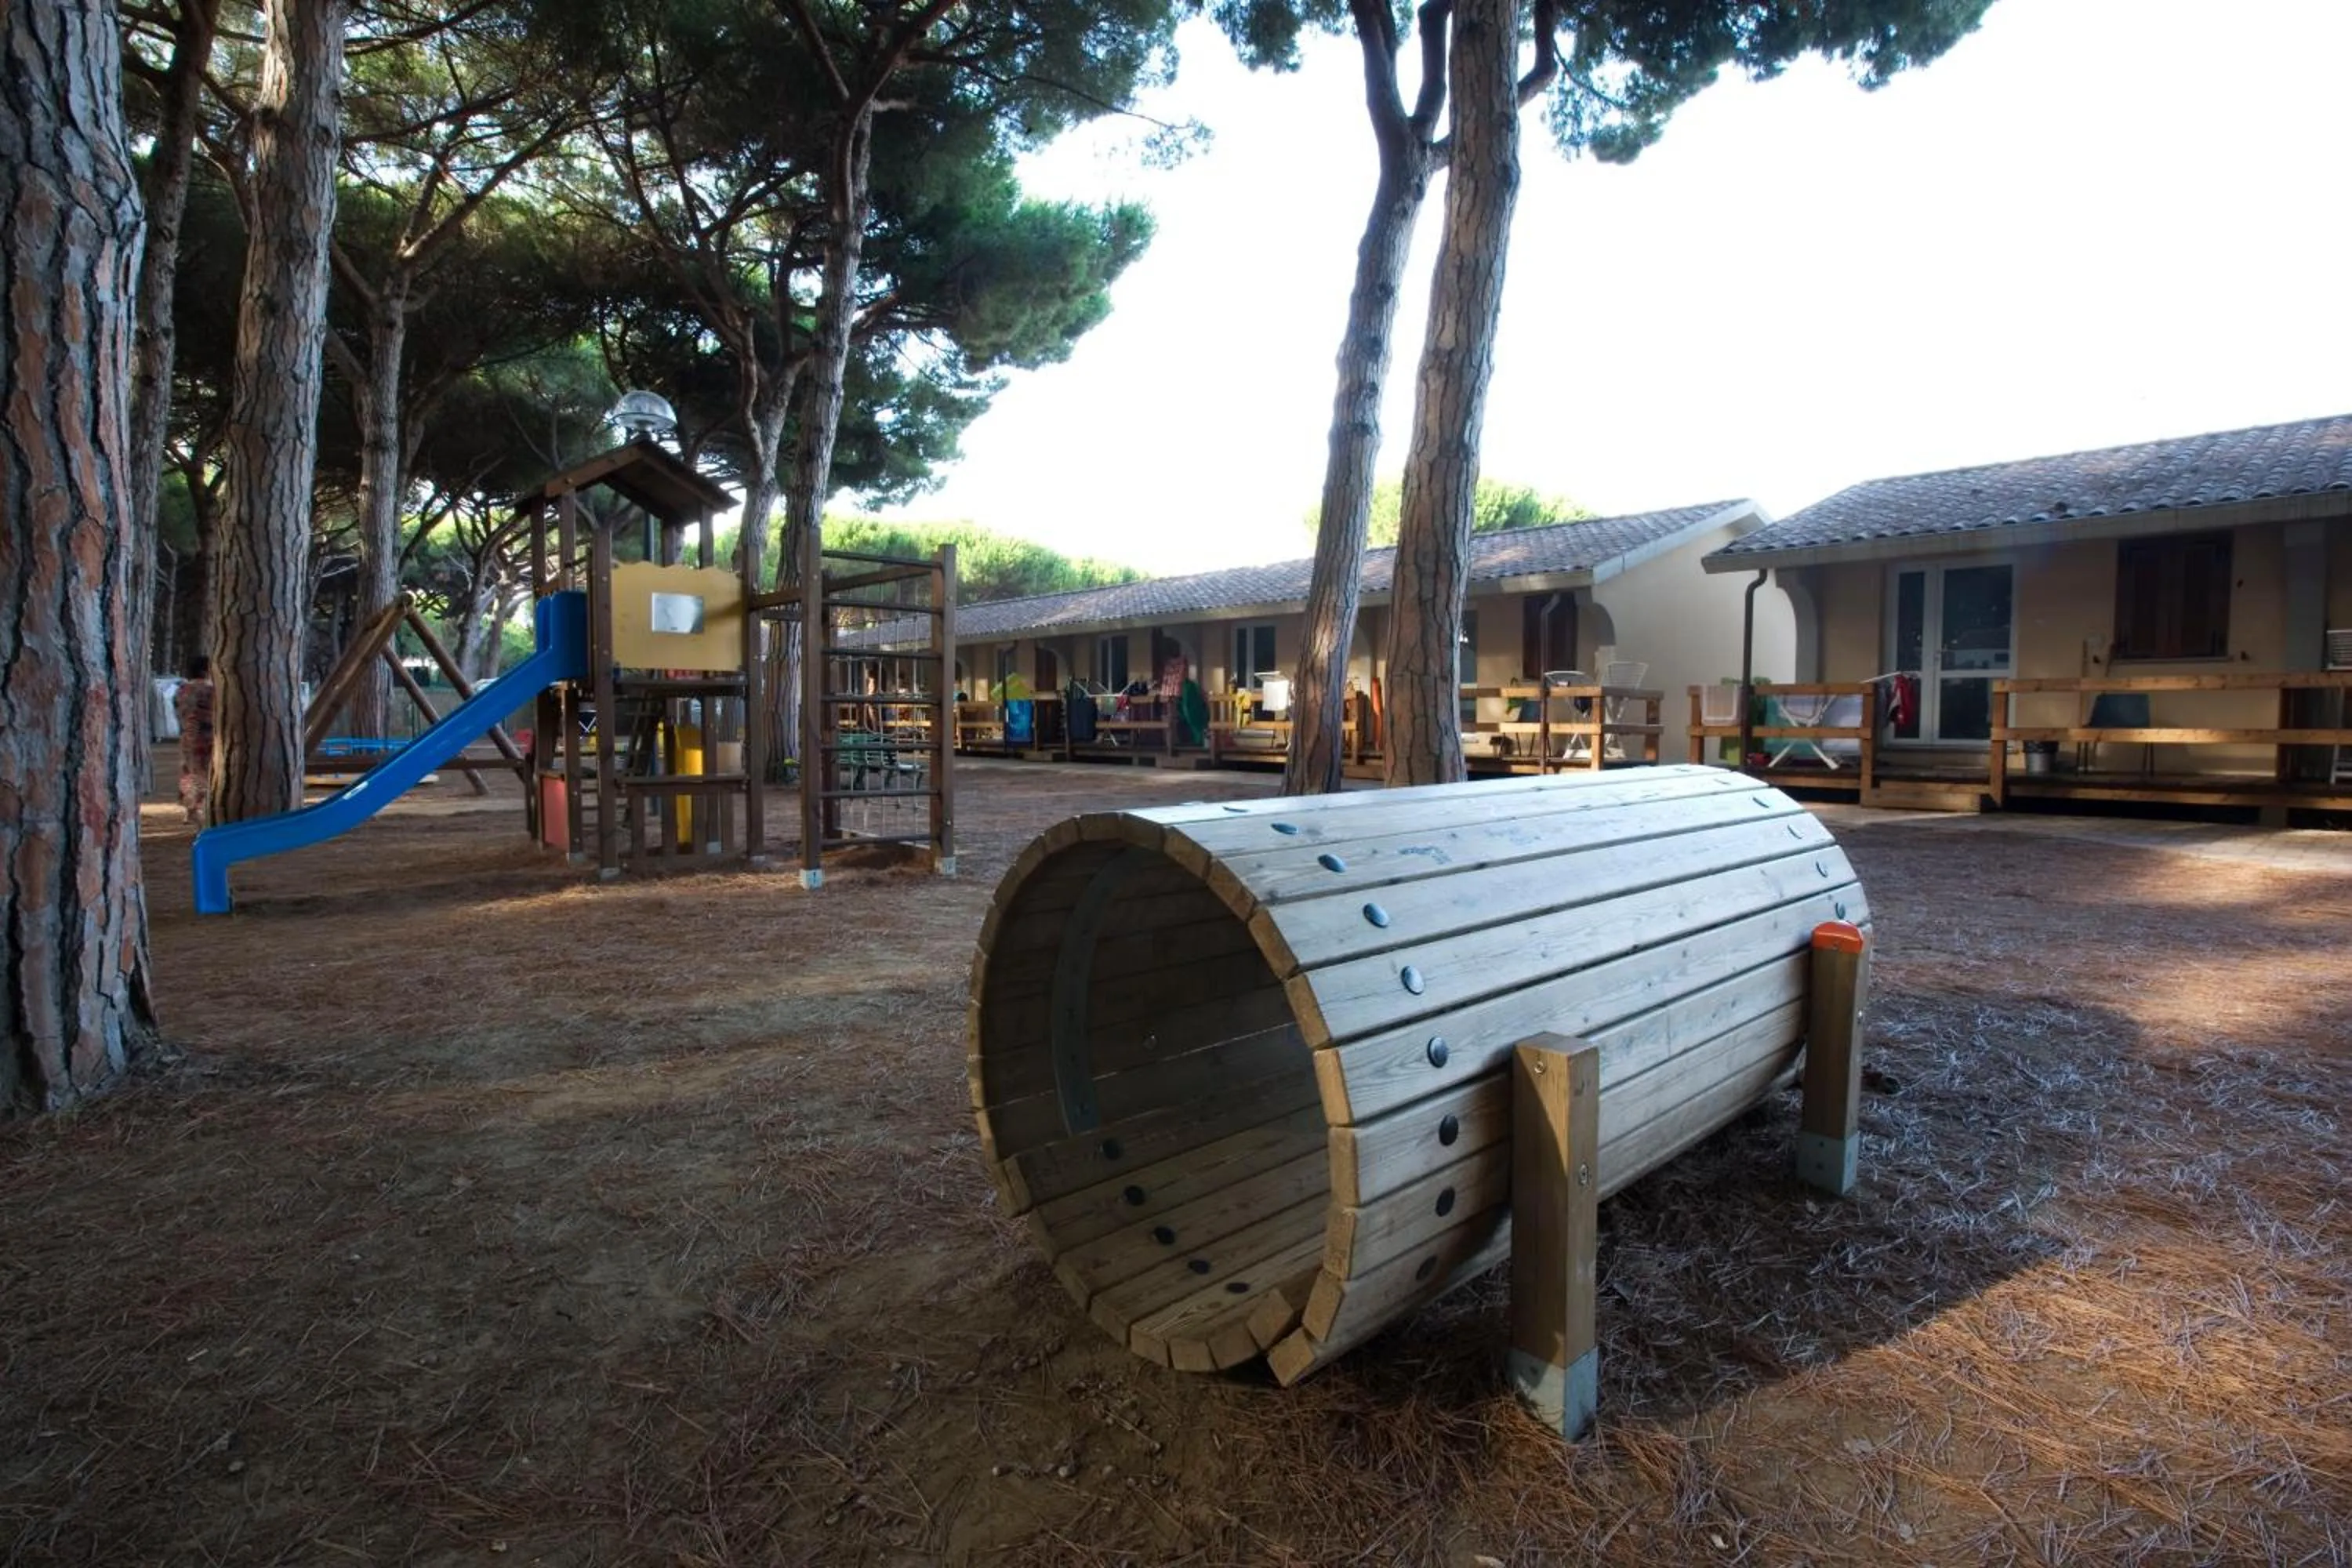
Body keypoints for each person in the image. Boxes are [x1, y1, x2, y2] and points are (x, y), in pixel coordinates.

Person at [172, 655, 216, 824]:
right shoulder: (210, 690)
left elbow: (178, 712)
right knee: (207, 773)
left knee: (188, 771)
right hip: (206, 737)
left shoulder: (181, 690)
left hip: (187, 736)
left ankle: (190, 808)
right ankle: (203, 808)